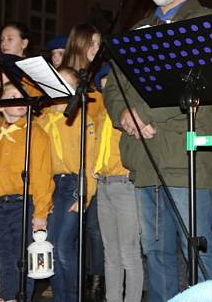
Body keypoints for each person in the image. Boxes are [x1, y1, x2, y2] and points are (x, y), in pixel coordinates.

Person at [102, 0, 212, 301]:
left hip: (187, 160)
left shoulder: (206, 23)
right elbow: (115, 87)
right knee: (155, 251)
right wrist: (124, 116)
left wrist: (145, 117)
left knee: (196, 248)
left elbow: (199, 86)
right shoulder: (138, 30)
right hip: (146, 158)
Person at [0, 82, 53, 302]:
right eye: (12, 96)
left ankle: (20, 298)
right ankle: (9, 296)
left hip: (23, 203)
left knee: (22, 258)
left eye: (22, 96)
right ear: (0, 106)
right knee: (5, 256)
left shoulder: (35, 135)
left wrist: (41, 212)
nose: (19, 101)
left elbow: (41, 175)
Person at [36, 66, 97, 302]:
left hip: (73, 183)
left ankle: (73, 297)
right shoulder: (42, 122)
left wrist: (86, 193)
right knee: (50, 246)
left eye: (66, 84)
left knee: (62, 246)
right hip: (50, 186)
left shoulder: (83, 120)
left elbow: (89, 160)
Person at [61, 23, 106, 301]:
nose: (96, 49)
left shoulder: (98, 79)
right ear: (79, 44)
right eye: (92, 43)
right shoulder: (63, 77)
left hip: (94, 163)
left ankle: (96, 281)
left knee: (93, 227)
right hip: (65, 166)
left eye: (99, 44)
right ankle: (72, 280)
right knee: (68, 231)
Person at [93, 64, 144, 302]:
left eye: (111, 88)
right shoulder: (101, 116)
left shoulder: (128, 115)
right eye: (104, 90)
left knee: (129, 253)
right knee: (110, 254)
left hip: (124, 183)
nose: (107, 95)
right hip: (103, 184)